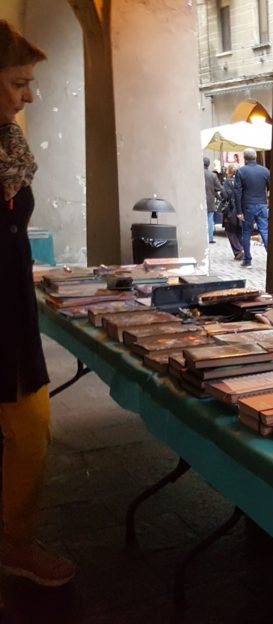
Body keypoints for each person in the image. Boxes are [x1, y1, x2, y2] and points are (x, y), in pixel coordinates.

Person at [0, 19, 75, 588]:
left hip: (11, 307)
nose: (30, 95)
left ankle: (14, 543)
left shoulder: (9, 145)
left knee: (30, 428)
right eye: (18, 82)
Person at [235, 147, 270, 267]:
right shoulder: (265, 171)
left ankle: (247, 260)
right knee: (264, 231)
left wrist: (239, 211)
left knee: (246, 233)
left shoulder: (241, 171)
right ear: (255, 157)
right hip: (262, 204)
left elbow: (237, 192)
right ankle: (271, 258)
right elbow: (271, 188)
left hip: (248, 205)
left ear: (244, 158)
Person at [221, 163, 245, 260]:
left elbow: (226, 196)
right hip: (241, 208)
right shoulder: (242, 181)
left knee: (230, 230)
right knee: (239, 230)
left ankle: (238, 250)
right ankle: (242, 249)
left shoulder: (227, 182)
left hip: (231, 210)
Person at [203, 156, 223, 244]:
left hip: (199, 201)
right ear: (209, 164)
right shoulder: (213, 175)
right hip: (210, 200)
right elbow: (219, 187)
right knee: (210, 219)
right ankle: (210, 238)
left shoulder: (197, 174)